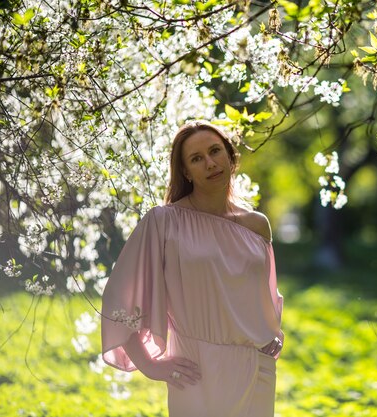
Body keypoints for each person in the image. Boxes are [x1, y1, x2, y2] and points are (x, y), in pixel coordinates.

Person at [101, 120, 284, 417]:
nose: (210, 164)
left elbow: (264, 293)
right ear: (186, 171)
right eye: (197, 159)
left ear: (230, 155)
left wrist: (270, 334)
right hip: (195, 369)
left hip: (256, 368)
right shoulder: (163, 221)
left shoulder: (257, 224)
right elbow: (118, 299)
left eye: (215, 151)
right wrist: (149, 365)